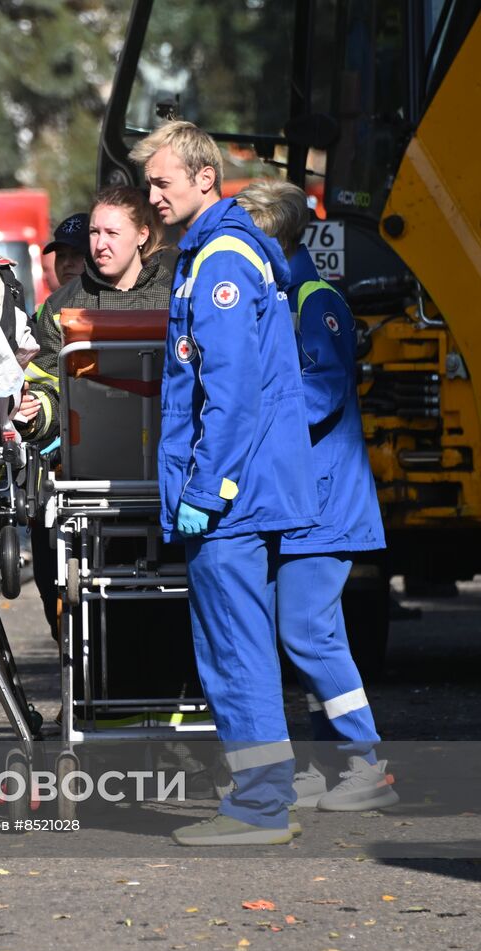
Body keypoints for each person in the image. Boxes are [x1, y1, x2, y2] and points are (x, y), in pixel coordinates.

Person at [130, 121, 319, 845]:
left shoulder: (221, 260)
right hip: (238, 493)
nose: (152, 196)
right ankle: (262, 795)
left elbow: (231, 396)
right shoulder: (214, 252)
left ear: (205, 178)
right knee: (236, 645)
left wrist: (208, 494)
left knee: (234, 648)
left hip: (228, 500)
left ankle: (262, 803)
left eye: (161, 182)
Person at [235, 179, 396, 811]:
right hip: (299, 500)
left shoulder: (312, 299)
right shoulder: (287, 295)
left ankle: (367, 765)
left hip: (321, 504)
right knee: (296, 632)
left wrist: (240, 420)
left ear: (270, 236)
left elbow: (322, 394)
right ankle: (328, 765)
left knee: (305, 630)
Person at [19, 188, 173, 637]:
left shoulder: (180, 291)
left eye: (112, 232)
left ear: (142, 235)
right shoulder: (61, 305)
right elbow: (47, 383)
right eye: (94, 232)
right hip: (92, 482)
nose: (100, 244)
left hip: (169, 477)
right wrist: (36, 412)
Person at [39, 213, 91, 298]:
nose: (66, 263)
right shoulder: (50, 307)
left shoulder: (112, 304)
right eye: (60, 255)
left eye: (77, 254)